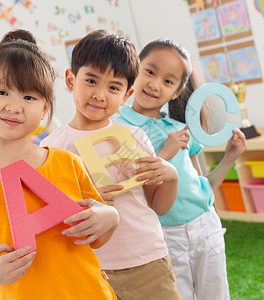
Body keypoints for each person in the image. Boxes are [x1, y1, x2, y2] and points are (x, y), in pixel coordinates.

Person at [0, 29, 119, 300]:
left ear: (45, 109)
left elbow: (96, 237)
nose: (15, 107)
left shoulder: (68, 163)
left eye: (29, 97)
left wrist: (110, 218)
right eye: (2, 92)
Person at [40, 30, 181, 300]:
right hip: (92, 266)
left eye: (113, 87)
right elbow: (50, 217)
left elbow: (158, 205)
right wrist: (83, 198)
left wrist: (171, 176)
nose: (100, 95)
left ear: (126, 95)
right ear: (71, 79)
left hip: (147, 256)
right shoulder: (52, 149)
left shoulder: (134, 136)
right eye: (91, 80)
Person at [114, 38, 247, 300]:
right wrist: (166, 153)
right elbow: (129, 190)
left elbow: (203, 186)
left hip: (205, 226)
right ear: (134, 71)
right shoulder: (118, 129)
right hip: (164, 236)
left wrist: (229, 159)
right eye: (150, 72)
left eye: (168, 81)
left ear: (176, 92)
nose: (154, 84)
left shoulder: (179, 129)